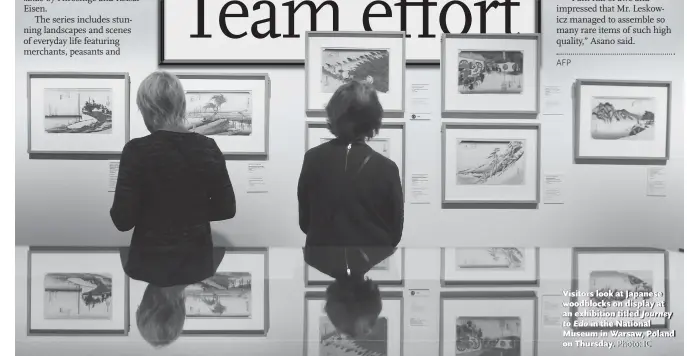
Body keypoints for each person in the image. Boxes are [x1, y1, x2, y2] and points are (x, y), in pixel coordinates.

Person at [110, 70, 236, 346]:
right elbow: (226, 208)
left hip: (148, 260)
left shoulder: (136, 151)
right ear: (180, 105)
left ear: (148, 110)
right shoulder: (207, 147)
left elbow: (122, 219)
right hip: (196, 258)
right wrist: (194, 213)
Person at [298, 80, 404, 337]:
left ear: (334, 115)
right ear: (374, 120)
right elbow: (395, 232)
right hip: (372, 255)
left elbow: (305, 222)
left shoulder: (313, 159)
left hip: (321, 252)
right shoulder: (387, 168)